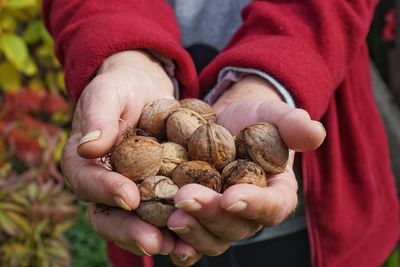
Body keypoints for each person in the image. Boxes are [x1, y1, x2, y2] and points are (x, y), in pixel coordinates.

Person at [43, 1, 399, 266]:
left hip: (319, 214)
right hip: (153, 229)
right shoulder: (165, 148)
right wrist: (125, 55)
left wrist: (273, 76)